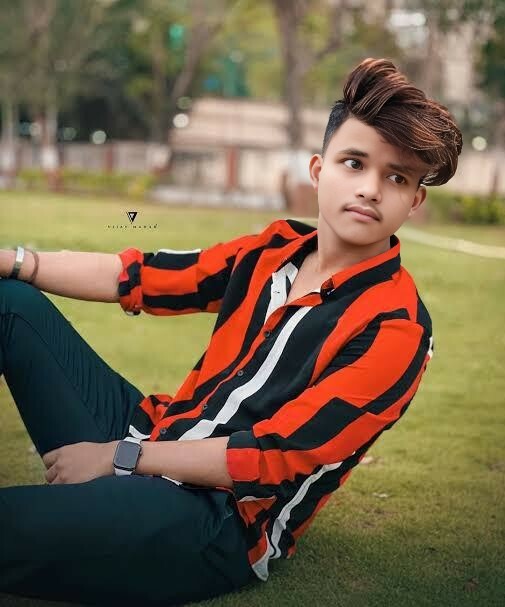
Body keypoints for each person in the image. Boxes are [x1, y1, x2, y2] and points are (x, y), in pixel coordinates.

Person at [0, 57, 462, 606]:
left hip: (217, 519)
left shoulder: (397, 327)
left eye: (397, 177)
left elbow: (271, 457)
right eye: (354, 162)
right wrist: (16, 260)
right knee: (10, 301)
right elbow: (141, 277)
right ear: (319, 170)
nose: (370, 189)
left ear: (414, 200)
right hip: (151, 432)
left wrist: (116, 458)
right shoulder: (273, 250)